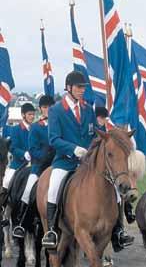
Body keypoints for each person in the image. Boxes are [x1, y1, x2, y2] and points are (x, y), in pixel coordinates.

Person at [41, 71, 133, 252]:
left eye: (83, 87)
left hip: (87, 164)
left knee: (114, 189)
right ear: (69, 88)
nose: (82, 90)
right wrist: (73, 149)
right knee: (53, 188)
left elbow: (97, 133)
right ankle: (51, 231)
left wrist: (117, 135)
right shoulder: (56, 110)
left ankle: (118, 231)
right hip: (65, 162)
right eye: (78, 87)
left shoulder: (87, 109)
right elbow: (54, 139)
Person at [13, 95, 55, 238]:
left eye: (50, 107)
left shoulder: (60, 124)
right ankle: (21, 222)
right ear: (41, 109)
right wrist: (45, 156)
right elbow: (32, 149)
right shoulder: (37, 127)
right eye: (45, 107)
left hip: (58, 165)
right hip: (40, 166)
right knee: (28, 189)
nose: (48, 110)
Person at [0, 103, 36, 211]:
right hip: (18, 165)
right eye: (30, 114)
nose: (32, 117)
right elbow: (12, 148)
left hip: (34, 165)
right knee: (6, 182)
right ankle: (4, 208)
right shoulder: (15, 129)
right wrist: (23, 154)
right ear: (23, 115)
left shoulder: (36, 128)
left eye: (33, 114)